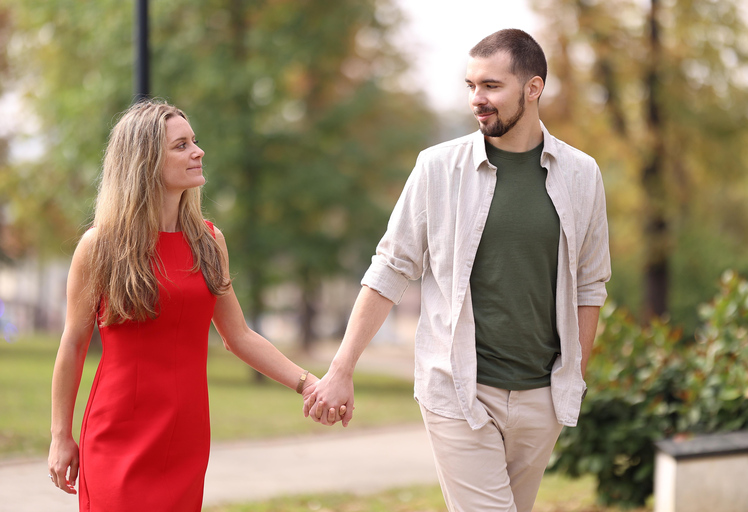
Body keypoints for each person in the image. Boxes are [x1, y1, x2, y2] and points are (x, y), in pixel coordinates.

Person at [305, 29, 611, 512]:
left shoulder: (581, 174)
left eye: (491, 86)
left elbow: (590, 285)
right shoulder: (437, 169)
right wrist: (341, 369)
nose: (477, 100)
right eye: (470, 86)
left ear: (533, 88)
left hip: (541, 397)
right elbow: (389, 268)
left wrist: (572, 376)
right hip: (458, 390)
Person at [47, 100, 343, 511]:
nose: (197, 151)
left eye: (195, 142)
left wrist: (310, 384)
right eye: (181, 145)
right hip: (117, 435)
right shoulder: (100, 246)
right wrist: (60, 435)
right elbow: (73, 343)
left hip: (185, 436)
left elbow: (238, 335)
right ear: (146, 161)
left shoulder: (208, 242)